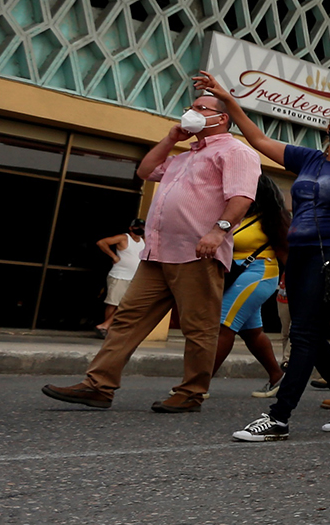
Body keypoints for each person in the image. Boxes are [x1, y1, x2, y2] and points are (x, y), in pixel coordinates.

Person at [43, 92, 259, 412]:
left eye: (200, 108)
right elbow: (145, 170)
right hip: (157, 253)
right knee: (126, 319)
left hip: (196, 253)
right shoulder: (184, 156)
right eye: (190, 107)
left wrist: (218, 231)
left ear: (222, 118)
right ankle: (98, 385)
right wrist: (172, 137)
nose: (191, 112)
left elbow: (241, 197)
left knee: (198, 327)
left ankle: (191, 392)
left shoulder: (236, 152)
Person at [200, 73, 330, 442]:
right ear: (328, 126)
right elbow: (258, 139)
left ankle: (279, 417)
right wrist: (229, 101)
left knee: (302, 334)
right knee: (308, 335)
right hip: (298, 255)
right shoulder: (309, 161)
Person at [212, 174, 289, 394]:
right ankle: (277, 376)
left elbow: (286, 253)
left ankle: (197, 384)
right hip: (236, 275)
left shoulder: (273, 218)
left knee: (224, 325)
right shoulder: (239, 215)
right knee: (251, 332)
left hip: (259, 272)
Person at [94, 219, 145, 336]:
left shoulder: (143, 242)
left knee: (126, 304)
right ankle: (107, 329)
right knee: (113, 303)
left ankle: (106, 326)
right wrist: (114, 256)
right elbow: (102, 243)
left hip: (134, 278)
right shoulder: (123, 238)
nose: (140, 229)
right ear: (131, 228)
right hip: (120, 275)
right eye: (137, 227)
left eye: (142, 227)